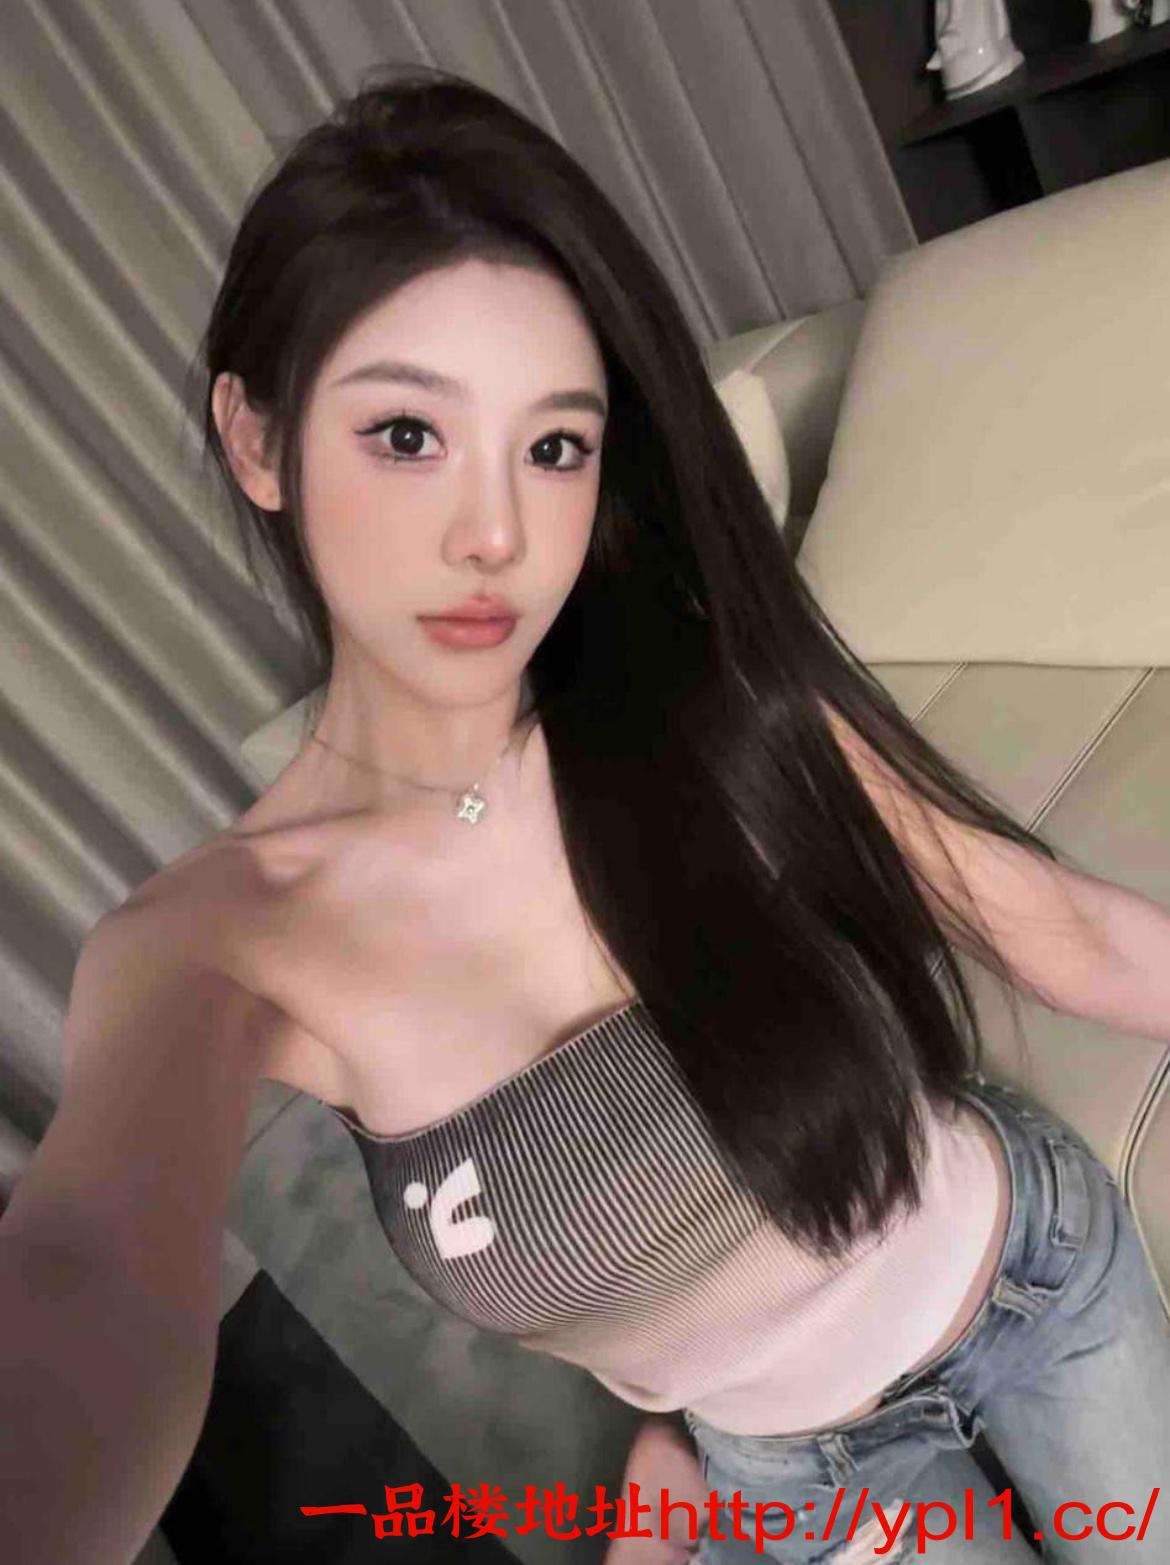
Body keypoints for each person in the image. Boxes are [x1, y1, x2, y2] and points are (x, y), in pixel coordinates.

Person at [2, 63, 1169, 1565]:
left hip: (1032, 1278)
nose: (495, 533)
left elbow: (1062, 931)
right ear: (257, 437)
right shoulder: (218, 942)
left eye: (553, 445)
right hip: (803, 1472)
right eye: (406, 435)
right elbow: (88, 1275)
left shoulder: (698, 691)